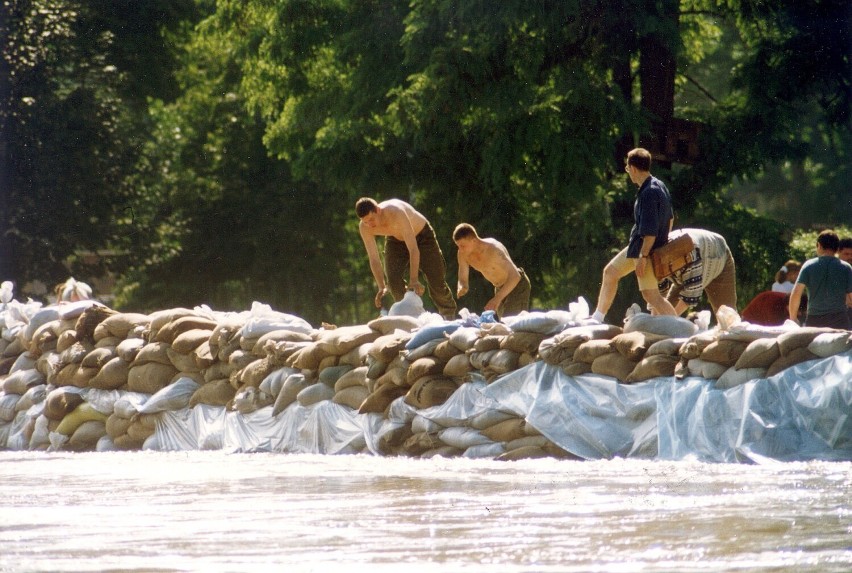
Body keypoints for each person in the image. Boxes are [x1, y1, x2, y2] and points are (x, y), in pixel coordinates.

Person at [591, 148, 677, 323]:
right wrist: (663, 243)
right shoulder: (659, 185)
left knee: (652, 296)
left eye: (627, 168)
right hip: (640, 247)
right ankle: (597, 319)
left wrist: (644, 256)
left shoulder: (648, 193)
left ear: (634, 168)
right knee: (610, 272)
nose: (628, 171)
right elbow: (671, 219)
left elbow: (650, 232)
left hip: (644, 250)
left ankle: (680, 328)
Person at [356, 197, 457, 320]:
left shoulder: (396, 212)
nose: (370, 224)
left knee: (436, 282)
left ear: (378, 210)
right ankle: (411, 316)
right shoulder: (364, 227)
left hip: (422, 236)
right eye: (365, 221)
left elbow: (413, 249)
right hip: (395, 239)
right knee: (393, 282)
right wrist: (381, 286)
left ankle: (449, 315)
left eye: (371, 219)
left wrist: (413, 280)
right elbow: (374, 259)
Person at [453, 223, 530, 318]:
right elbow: (462, 276)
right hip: (499, 288)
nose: (460, 249)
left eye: (462, 246)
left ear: (473, 241)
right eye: (458, 246)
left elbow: (515, 276)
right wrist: (462, 286)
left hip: (516, 285)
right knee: (504, 326)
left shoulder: (494, 249)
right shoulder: (462, 253)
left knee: (511, 324)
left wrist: (496, 299)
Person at [656, 228, 737, 316]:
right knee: (665, 311)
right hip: (690, 265)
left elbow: (691, 296)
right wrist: (656, 317)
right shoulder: (657, 255)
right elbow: (657, 294)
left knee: (728, 316)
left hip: (719, 256)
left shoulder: (690, 256)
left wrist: (672, 318)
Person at [788, 230, 852, 329]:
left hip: (815, 320)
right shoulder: (846, 267)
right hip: (840, 321)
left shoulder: (808, 265)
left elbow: (796, 293)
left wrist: (793, 318)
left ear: (819, 245)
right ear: (837, 248)